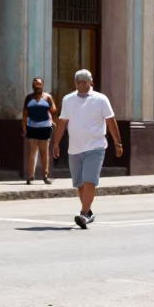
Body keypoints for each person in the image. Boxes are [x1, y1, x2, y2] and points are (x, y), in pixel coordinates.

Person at [52, 69, 122, 230]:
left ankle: (84, 214)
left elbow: (111, 121)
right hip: (74, 148)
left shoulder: (101, 99)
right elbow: (62, 122)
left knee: (89, 181)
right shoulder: (68, 100)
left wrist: (118, 143)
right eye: (79, 81)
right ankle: (88, 212)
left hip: (95, 147)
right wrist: (56, 143)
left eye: (85, 81)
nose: (81, 84)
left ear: (91, 83)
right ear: (75, 83)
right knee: (80, 184)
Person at [23, 77, 57, 185]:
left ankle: (45, 176)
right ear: (33, 86)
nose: (37, 85)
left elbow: (54, 110)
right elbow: (24, 115)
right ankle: (30, 176)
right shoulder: (29, 98)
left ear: (43, 85)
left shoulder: (48, 97)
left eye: (39, 84)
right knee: (32, 152)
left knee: (44, 152)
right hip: (32, 127)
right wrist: (24, 128)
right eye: (35, 84)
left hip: (45, 128)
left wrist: (52, 119)